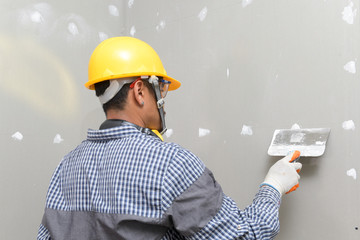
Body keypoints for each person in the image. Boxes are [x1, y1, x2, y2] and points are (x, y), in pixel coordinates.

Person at [37, 37, 302, 240]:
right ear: (140, 91)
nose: (164, 100)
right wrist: (274, 185)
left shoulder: (66, 167)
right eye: (160, 89)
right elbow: (242, 236)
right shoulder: (170, 163)